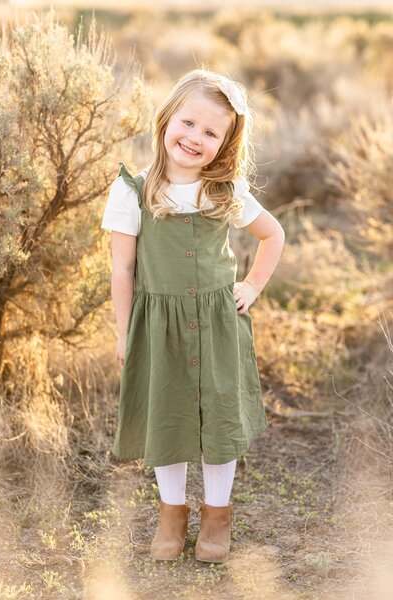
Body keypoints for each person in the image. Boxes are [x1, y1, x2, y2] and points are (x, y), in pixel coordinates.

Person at [101, 67, 285, 564]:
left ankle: (218, 515)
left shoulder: (224, 190)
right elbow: (122, 268)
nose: (195, 138)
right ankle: (172, 513)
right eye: (188, 123)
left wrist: (251, 285)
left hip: (218, 324)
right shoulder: (133, 190)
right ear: (166, 121)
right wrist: (124, 332)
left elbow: (274, 236)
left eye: (211, 132)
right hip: (159, 325)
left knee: (218, 420)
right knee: (171, 416)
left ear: (225, 143)